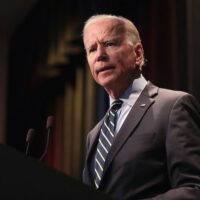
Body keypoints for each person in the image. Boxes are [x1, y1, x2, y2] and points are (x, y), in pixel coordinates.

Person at [82, 14, 200, 200]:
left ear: (137, 54)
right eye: (92, 49)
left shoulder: (172, 107)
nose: (100, 55)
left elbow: (194, 188)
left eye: (110, 44)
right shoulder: (94, 136)